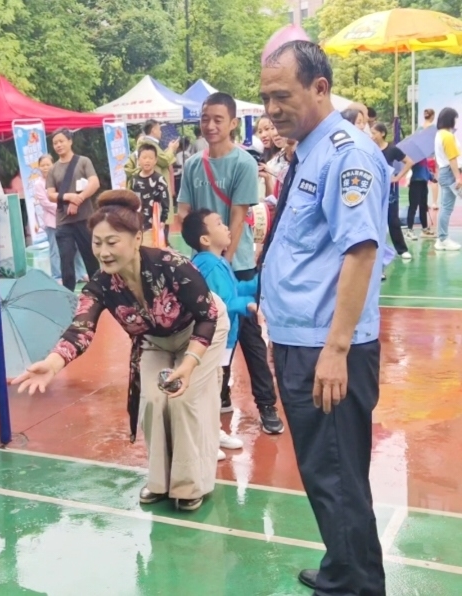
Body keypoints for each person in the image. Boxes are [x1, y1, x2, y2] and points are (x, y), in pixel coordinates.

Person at [260, 40, 389, 595]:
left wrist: (335, 349)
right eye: (266, 98)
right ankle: (343, 568)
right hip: (302, 339)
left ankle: (356, 585)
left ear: (320, 87)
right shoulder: (308, 152)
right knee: (326, 473)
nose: (272, 110)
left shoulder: (345, 154)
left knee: (337, 477)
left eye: (282, 96)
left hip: (326, 348)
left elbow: (361, 252)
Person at [13, 190, 228, 512]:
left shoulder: (171, 265)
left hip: (201, 331)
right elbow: (81, 327)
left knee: (182, 400)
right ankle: (160, 482)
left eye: (112, 242)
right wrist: (53, 364)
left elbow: (207, 315)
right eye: (97, 243)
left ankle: (189, 485)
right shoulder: (100, 285)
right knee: (153, 401)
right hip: (154, 340)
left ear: (137, 238)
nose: (103, 251)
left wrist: (188, 364)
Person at [177, 93, 284, 434]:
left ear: (233, 123)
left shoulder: (243, 163)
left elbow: (237, 219)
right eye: (205, 118)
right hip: (205, 266)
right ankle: (219, 394)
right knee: (209, 333)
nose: (210, 125)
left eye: (218, 119)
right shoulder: (193, 165)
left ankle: (266, 404)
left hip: (235, 264)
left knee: (249, 335)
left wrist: (222, 260)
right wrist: (200, 257)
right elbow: (184, 212)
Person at [182, 208, 252, 451]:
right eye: (220, 224)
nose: (226, 227)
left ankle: (212, 431)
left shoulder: (218, 261)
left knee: (216, 384)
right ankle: (205, 437)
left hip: (223, 337)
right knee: (209, 387)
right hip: (213, 338)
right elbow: (218, 303)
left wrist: (258, 283)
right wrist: (247, 303)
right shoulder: (208, 265)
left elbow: (233, 290)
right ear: (205, 239)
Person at [46, 129, 100, 291]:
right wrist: (69, 196)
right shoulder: (53, 169)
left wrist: (79, 198)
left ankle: (98, 293)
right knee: (66, 261)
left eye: (61, 141)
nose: (58, 145)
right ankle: (68, 296)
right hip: (63, 222)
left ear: (70, 141)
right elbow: (50, 195)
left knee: (91, 258)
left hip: (84, 219)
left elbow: (94, 183)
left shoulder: (83, 161)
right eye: (55, 143)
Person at [33, 155, 87, 283]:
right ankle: (57, 276)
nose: (45, 168)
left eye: (48, 165)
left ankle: (81, 273)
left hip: (68, 218)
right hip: (53, 221)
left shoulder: (59, 178)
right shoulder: (38, 184)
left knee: (75, 247)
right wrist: (63, 209)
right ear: (39, 167)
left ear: (53, 165)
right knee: (55, 250)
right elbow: (45, 203)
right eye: (42, 165)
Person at [371, 123, 414, 260]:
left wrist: (398, 177)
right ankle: (375, 251)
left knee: (393, 219)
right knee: (374, 220)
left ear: (382, 133)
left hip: (390, 189)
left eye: (374, 133)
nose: (372, 136)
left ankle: (402, 250)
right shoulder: (370, 149)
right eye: (371, 133)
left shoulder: (392, 149)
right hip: (374, 188)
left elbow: (409, 162)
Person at [130, 144, 170, 247]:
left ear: (155, 160)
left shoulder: (159, 179)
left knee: (151, 249)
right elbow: (131, 199)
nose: (147, 161)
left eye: (150, 158)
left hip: (154, 223)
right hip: (137, 223)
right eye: (144, 158)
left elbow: (165, 200)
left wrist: (163, 219)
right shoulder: (134, 179)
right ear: (138, 160)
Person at [433, 107, 462, 251]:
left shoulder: (440, 134)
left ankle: (442, 238)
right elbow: (452, 158)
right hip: (451, 173)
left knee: (446, 207)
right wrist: (458, 177)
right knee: (446, 208)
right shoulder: (448, 136)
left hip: (445, 172)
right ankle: (443, 238)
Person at [406, 158, 436, 241]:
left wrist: (431, 177)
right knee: (413, 207)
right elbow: (409, 167)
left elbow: (425, 170)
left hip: (424, 183)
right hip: (415, 183)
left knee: (423, 207)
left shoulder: (424, 158)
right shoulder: (414, 157)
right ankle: (409, 230)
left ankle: (424, 229)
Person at [420, 108, 439, 209]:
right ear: (432, 116)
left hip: (421, 158)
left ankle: (424, 203)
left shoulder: (420, 128)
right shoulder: (434, 129)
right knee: (434, 180)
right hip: (430, 157)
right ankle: (434, 203)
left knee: (423, 181)